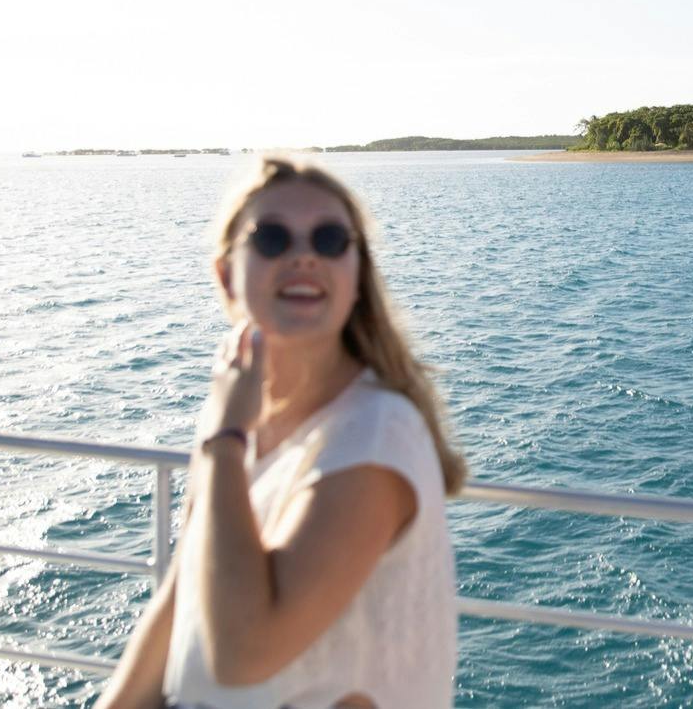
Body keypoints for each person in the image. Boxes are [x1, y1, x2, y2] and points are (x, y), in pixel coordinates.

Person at [96, 156, 466, 709]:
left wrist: (223, 440)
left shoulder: (373, 435)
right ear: (225, 275)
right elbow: (183, 595)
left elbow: (242, 656)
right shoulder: (236, 412)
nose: (303, 256)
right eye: (271, 238)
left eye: (329, 238)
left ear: (357, 272)